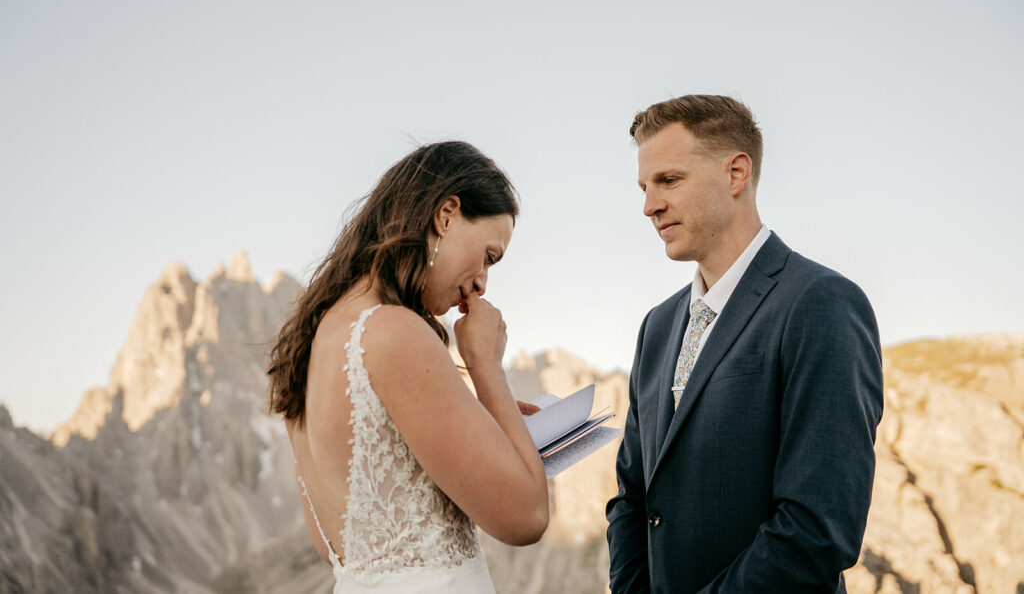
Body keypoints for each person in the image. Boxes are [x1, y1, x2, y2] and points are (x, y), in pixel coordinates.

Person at [605, 95, 884, 592]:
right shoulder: (658, 326)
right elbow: (632, 498)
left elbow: (818, 528)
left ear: (737, 173)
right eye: (645, 187)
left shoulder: (821, 303)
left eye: (669, 180)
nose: (649, 206)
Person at [267, 141, 548, 593]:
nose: (482, 280)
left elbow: (332, 543)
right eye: (489, 256)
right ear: (446, 215)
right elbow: (526, 518)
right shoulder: (394, 331)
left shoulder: (308, 347)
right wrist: (486, 366)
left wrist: (481, 421)